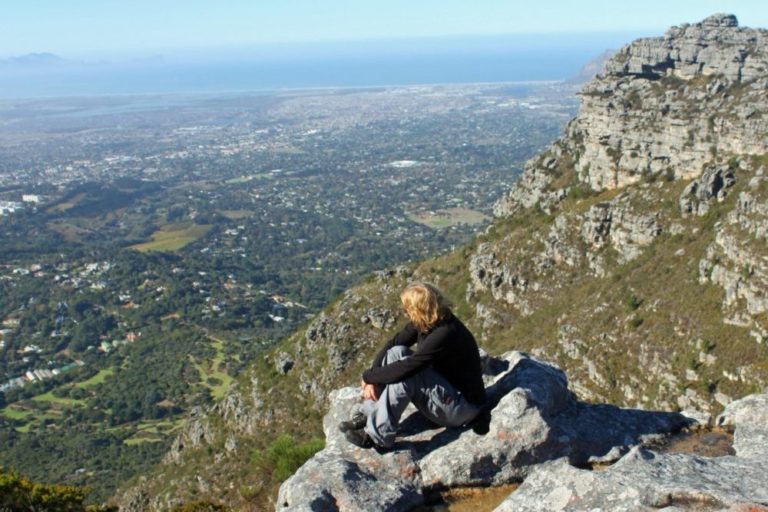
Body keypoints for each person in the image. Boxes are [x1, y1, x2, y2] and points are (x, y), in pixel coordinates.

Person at [341, 282, 488, 450]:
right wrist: (371, 378)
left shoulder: (446, 333)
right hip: (447, 391)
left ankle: (378, 437)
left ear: (419, 309)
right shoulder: (427, 321)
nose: (405, 312)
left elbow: (409, 368)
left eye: (408, 308)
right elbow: (393, 344)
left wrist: (369, 376)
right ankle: (371, 412)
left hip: (463, 407)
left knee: (407, 375)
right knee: (396, 352)